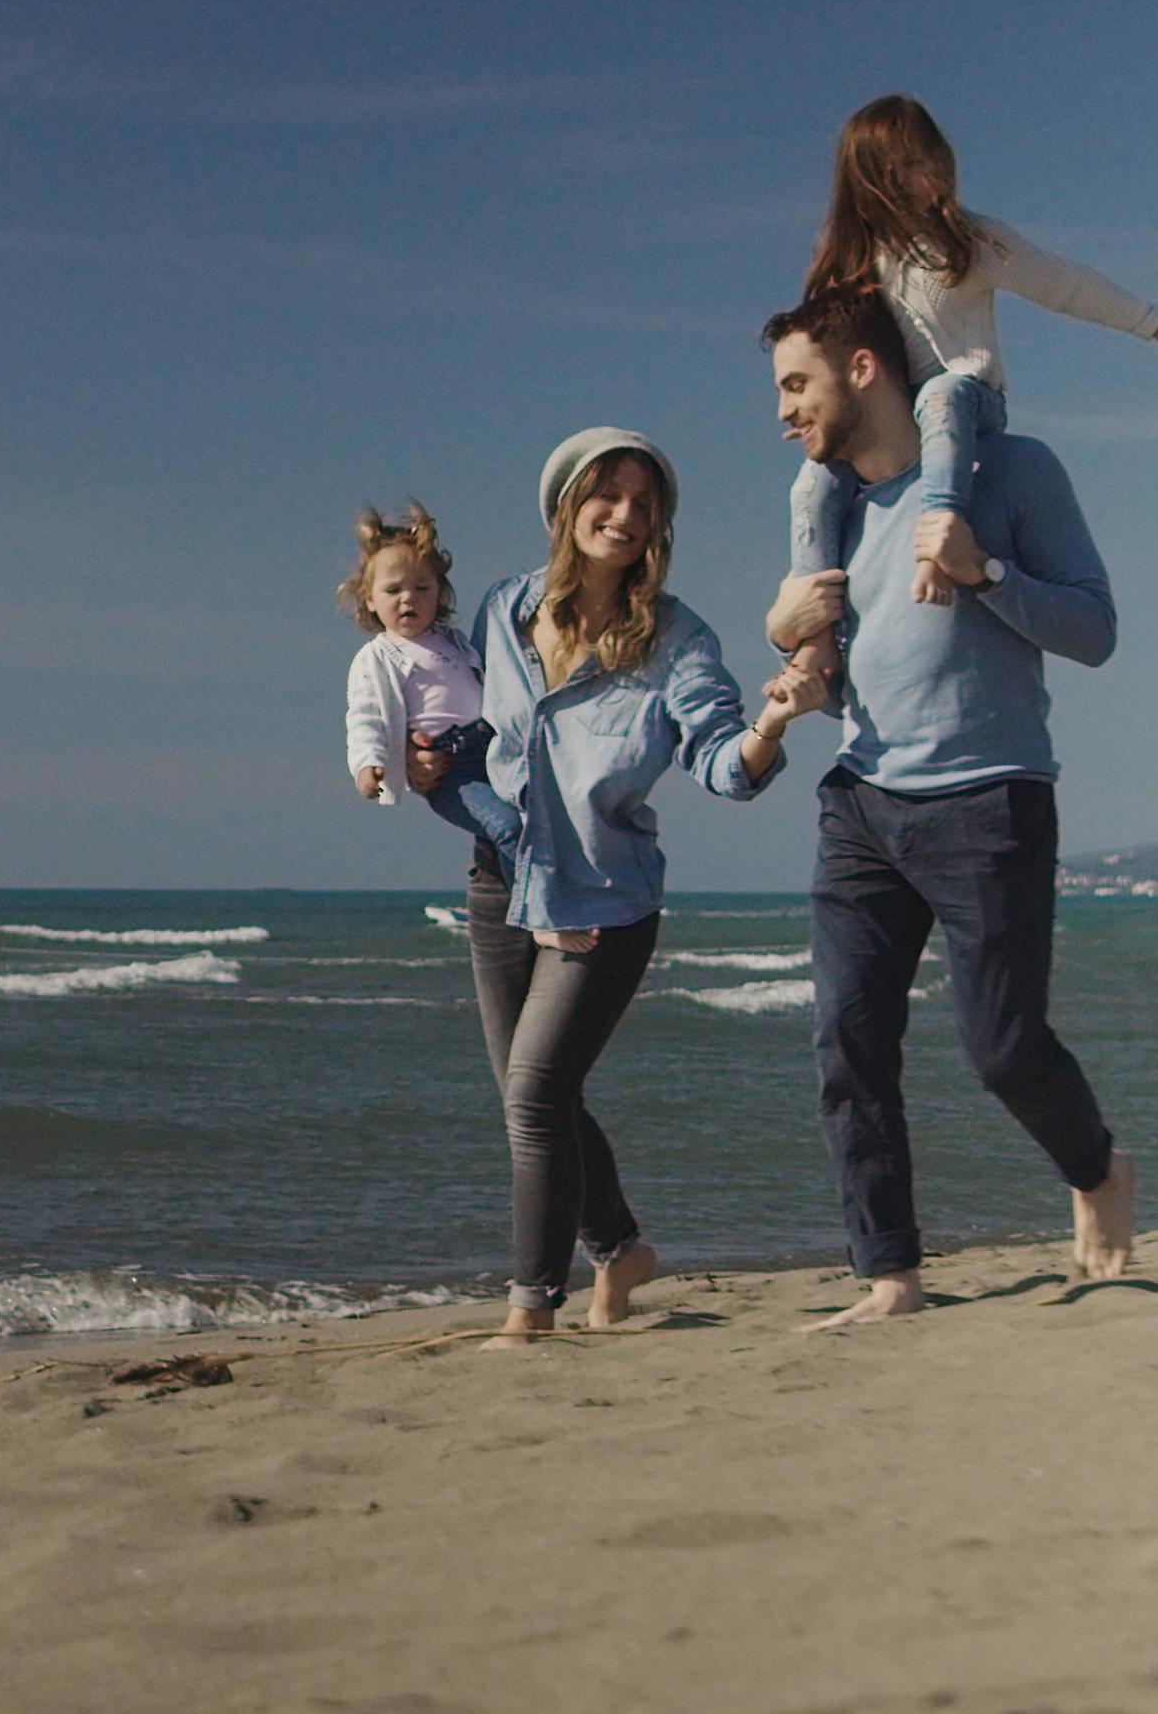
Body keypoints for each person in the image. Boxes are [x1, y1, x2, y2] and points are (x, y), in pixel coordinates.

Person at [758, 285, 1135, 1329]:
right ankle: (889, 1275)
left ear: (864, 368)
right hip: (860, 802)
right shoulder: (830, 507)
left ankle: (1095, 1166)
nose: (783, 410)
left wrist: (983, 570)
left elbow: (1093, 628)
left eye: (796, 384)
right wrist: (790, 661)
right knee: (846, 1044)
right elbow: (840, 663)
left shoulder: (1011, 473)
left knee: (1001, 1048)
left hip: (986, 800)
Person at [410, 429, 820, 1345]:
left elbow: (724, 762)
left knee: (534, 1095)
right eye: (610, 495)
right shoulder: (503, 611)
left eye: (646, 503)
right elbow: (470, 731)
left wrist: (774, 721)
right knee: (535, 1094)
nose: (627, 516)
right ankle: (620, 1248)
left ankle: (529, 1310)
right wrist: (424, 749)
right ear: (567, 504)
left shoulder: (676, 639)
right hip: (501, 889)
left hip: (602, 902)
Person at [780, 95, 1158, 698]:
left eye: (924, 163)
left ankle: (940, 531)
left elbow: (1062, 284)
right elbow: (814, 352)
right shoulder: (847, 259)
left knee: (943, 395)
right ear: (865, 180)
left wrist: (1154, 321)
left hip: (972, 404)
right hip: (897, 432)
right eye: (897, 169)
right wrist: (809, 415)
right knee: (813, 484)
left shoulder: (969, 242)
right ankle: (815, 641)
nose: (916, 181)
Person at [339, 505, 482, 809]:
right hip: (445, 764)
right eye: (393, 590)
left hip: (489, 749)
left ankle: (489, 855)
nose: (409, 597)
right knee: (506, 827)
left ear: (439, 592)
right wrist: (367, 764)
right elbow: (365, 716)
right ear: (369, 598)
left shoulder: (455, 643)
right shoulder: (377, 658)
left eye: (422, 588)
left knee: (528, 818)